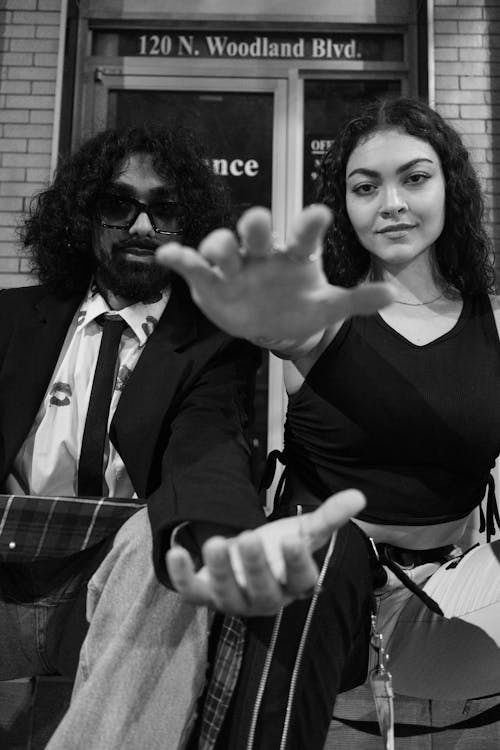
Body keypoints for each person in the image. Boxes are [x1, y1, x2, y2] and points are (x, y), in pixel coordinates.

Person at [0, 123, 391, 750]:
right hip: (10, 560)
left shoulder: (209, 345)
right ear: (83, 216)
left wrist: (218, 542)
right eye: (117, 204)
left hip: (123, 585)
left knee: (161, 537)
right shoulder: (12, 319)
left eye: (165, 210)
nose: (141, 227)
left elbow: (206, 453)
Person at [158, 97, 500, 750]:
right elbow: (288, 330)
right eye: (365, 187)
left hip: (458, 587)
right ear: (343, 204)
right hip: (325, 599)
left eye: (415, 178)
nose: (392, 203)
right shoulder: (322, 313)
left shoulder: (493, 319)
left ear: (449, 185)